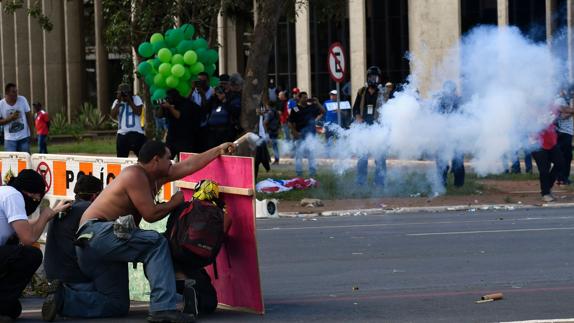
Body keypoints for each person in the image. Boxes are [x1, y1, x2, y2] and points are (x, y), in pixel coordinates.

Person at [49, 140, 235, 323]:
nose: (172, 163)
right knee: (156, 243)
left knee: (116, 304)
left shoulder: (156, 177)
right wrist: (174, 202)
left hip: (94, 247)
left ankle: (64, 298)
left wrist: (218, 149)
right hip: (98, 233)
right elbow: (150, 215)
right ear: (155, 160)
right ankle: (163, 308)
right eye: (168, 158)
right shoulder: (135, 174)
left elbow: (188, 166)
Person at [0, 170, 70, 320]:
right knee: (31, 255)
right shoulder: (14, 196)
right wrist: (44, 216)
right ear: (29, 193)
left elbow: (23, 225)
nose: (37, 201)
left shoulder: (5, 192)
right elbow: (28, 238)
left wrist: (53, 212)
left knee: (14, 310)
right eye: (37, 197)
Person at [42, 175, 103, 321]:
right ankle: (64, 298)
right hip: (73, 275)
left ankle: (60, 293)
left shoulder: (63, 207)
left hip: (51, 271)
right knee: (110, 295)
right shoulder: (90, 209)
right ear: (95, 195)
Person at [352, 66, 387, 186]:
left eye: (376, 77)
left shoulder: (383, 92)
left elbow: (389, 109)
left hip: (378, 128)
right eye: (372, 77)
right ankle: (361, 182)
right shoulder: (361, 91)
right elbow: (355, 108)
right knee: (362, 157)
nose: (374, 79)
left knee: (380, 158)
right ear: (368, 78)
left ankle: (380, 182)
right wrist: (357, 116)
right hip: (364, 128)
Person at [434, 80, 465, 188]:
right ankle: (443, 183)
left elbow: (463, 116)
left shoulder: (458, 101)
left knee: (457, 160)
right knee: (442, 160)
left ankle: (458, 184)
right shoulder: (440, 101)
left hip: (455, 134)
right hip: (444, 134)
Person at [288, 92, 325, 177]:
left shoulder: (311, 107)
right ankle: (299, 172)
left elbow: (323, 111)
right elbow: (290, 122)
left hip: (310, 135)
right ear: (299, 98)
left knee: (311, 154)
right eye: (304, 97)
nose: (306, 99)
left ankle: (312, 172)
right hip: (300, 134)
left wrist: (317, 102)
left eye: (306, 97)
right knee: (299, 154)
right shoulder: (295, 108)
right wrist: (294, 132)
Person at [531, 118, 564, 202]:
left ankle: (547, 187)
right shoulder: (530, 111)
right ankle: (545, 193)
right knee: (544, 170)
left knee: (560, 163)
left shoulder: (551, 107)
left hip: (551, 143)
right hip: (537, 144)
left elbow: (563, 112)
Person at [158, 89, 196, 159]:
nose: (168, 99)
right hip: (171, 136)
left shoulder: (184, 104)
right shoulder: (168, 104)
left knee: (184, 160)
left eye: (169, 97)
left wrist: (170, 107)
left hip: (183, 137)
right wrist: (161, 106)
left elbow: (178, 115)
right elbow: (159, 115)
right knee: (166, 157)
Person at [111, 83, 146, 158]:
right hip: (122, 134)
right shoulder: (117, 102)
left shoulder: (136, 99)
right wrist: (118, 102)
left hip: (136, 133)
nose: (123, 95)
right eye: (121, 93)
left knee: (143, 158)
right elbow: (112, 115)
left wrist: (130, 101)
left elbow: (138, 112)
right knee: (121, 159)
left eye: (125, 93)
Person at [0, 83, 34, 153]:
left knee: (25, 160)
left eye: (16, 91)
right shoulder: (1, 104)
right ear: (7, 93)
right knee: (11, 162)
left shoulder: (22, 100)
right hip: (9, 140)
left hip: (24, 138)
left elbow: (29, 117)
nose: (16, 94)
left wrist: (32, 133)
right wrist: (10, 118)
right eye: (13, 92)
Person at [555, 87, 574, 185]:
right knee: (563, 156)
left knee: (567, 156)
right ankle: (561, 178)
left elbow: (567, 112)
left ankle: (563, 177)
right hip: (562, 131)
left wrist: (570, 111)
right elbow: (562, 115)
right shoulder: (559, 100)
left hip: (568, 132)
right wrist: (571, 111)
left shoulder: (568, 100)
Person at [226, 73, 244, 140]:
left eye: (237, 85)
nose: (235, 87)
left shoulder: (244, 94)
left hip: (241, 124)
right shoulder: (227, 95)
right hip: (230, 125)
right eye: (233, 85)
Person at [264, 100, 281, 164]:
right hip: (275, 130)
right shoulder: (276, 112)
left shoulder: (270, 113)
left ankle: (272, 159)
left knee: (267, 145)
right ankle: (277, 159)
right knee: (275, 146)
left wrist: (266, 132)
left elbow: (265, 122)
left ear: (268, 106)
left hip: (270, 131)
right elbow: (279, 122)